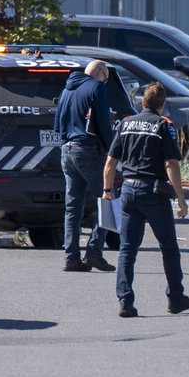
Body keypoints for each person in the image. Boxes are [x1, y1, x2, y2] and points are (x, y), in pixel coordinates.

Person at [102, 81, 189, 318]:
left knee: (127, 249)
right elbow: (171, 164)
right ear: (162, 105)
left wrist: (107, 190)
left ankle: (125, 300)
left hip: (128, 192)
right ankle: (175, 298)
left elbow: (111, 162)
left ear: (142, 102)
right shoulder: (162, 125)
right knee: (168, 247)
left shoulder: (125, 124)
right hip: (153, 194)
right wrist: (181, 198)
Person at [54, 59, 116, 272]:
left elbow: (57, 125)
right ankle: (94, 252)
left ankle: (71, 257)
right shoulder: (96, 87)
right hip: (88, 151)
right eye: (105, 78)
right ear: (100, 72)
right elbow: (102, 121)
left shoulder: (66, 89)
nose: (104, 83)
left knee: (73, 208)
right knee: (106, 199)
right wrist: (111, 150)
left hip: (67, 150)